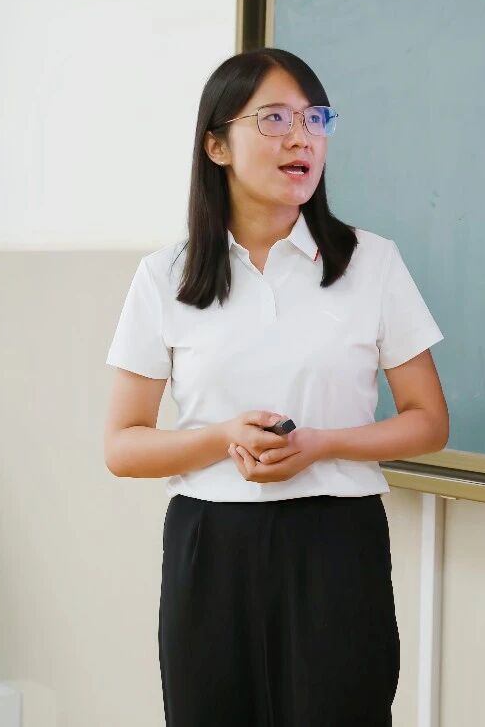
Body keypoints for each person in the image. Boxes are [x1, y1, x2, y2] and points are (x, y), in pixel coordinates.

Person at [103, 47, 449, 726]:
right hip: (210, 543)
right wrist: (222, 438)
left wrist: (321, 444)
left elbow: (428, 420)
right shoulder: (165, 276)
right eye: (275, 119)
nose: (302, 138)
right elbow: (123, 445)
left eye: (316, 119)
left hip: (336, 539)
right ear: (217, 145)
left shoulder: (371, 263)